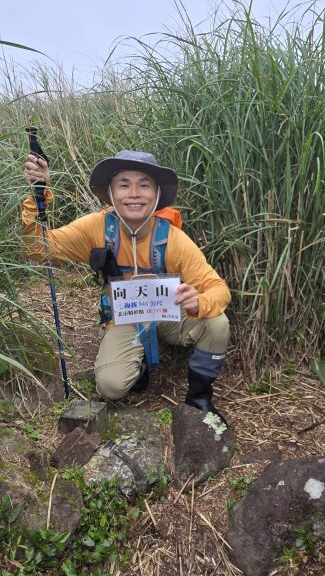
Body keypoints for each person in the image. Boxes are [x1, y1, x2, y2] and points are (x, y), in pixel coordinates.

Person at [22, 150, 231, 419]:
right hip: (125, 318)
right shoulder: (96, 228)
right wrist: (38, 195)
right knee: (110, 387)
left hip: (168, 314)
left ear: (156, 195)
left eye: (144, 185)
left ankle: (199, 397)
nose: (134, 193)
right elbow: (38, 248)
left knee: (217, 323)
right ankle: (138, 361)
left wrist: (199, 301)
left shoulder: (173, 239)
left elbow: (218, 289)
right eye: (124, 184)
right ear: (111, 193)